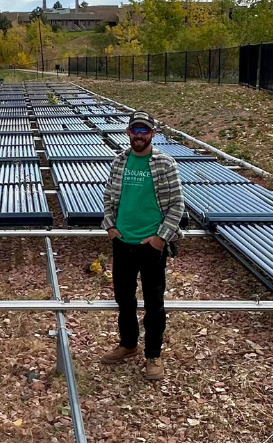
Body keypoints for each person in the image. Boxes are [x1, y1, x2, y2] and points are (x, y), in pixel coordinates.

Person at [100, 110, 184, 381]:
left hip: (151, 245)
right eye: (135, 130)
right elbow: (109, 199)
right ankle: (128, 345)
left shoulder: (165, 163)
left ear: (152, 134)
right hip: (122, 242)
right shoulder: (119, 162)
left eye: (144, 131)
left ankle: (153, 355)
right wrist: (111, 228)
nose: (139, 135)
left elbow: (177, 205)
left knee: (154, 302)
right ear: (128, 133)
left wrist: (161, 238)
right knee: (124, 299)